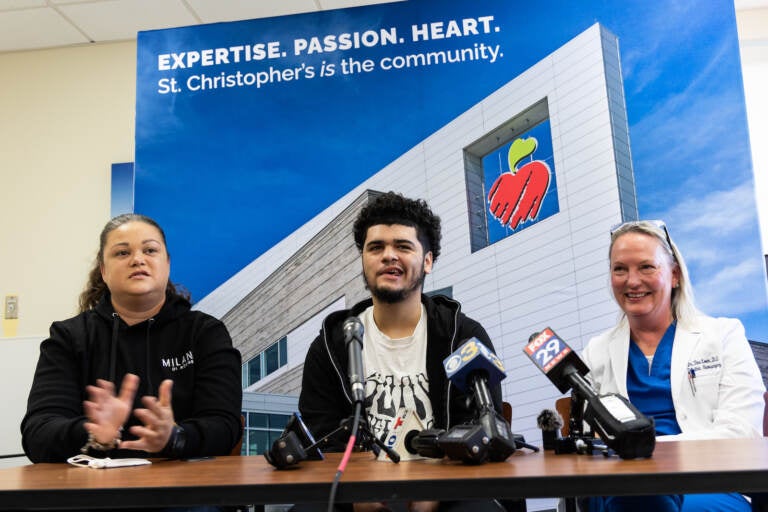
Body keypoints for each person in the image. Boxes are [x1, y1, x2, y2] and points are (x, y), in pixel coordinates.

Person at [298, 192, 513, 512]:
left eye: (402, 246)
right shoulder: (331, 345)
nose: (388, 256)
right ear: (363, 260)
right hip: (355, 489)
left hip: (449, 490)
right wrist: (358, 493)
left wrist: (437, 488)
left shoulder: (463, 336)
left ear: (427, 261)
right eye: (376, 247)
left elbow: (484, 426)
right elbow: (320, 435)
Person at [21, 213, 242, 465]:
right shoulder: (68, 337)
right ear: (103, 271)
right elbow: (37, 433)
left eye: (150, 250)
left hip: (182, 489)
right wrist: (94, 434)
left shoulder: (204, 332)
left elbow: (224, 426)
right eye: (122, 253)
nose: (138, 259)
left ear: (167, 264)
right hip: (91, 490)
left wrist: (174, 437)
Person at [581, 220, 765, 512]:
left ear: (675, 275)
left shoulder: (724, 335)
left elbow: (740, 435)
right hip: (623, 488)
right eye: (620, 269)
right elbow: (589, 444)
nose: (632, 281)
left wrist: (645, 450)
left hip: (708, 482)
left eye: (646, 267)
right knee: (637, 497)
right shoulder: (595, 352)